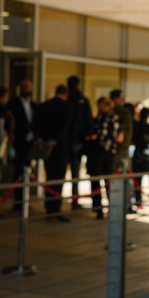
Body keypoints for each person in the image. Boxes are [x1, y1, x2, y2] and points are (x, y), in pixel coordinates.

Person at [33, 84, 72, 221]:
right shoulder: (66, 107)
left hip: (46, 147)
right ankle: (55, 208)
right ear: (66, 94)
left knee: (50, 177)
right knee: (58, 179)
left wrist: (43, 140)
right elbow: (65, 128)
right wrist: (54, 140)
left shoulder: (44, 105)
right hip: (60, 148)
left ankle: (49, 208)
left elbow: (37, 124)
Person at [85, 95, 121, 219]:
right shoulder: (112, 118)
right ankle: (105, 208)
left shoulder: (105, 118)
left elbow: (99, 135)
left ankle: (100, 209)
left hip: (100, 153)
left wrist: (92, 138)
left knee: (99, 180)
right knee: (106, 181)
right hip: (107, 153)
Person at [7, 79, 37, 210]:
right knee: (19, 171)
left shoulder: (34, 105)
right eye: (24, 87)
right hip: (19, 141)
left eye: (28, 87)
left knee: (27, 171)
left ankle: (25, 200)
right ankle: (18, 201)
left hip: (30, 142)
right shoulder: (13, 104)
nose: (26, 90)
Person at [66, 76, 93, 206]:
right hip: (79, 141)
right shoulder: (82, 101)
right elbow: (89, 120)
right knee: (75, 171)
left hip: (67, 141)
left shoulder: (68, 100)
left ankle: (56, 203)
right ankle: (75, 199)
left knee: (61, 172)